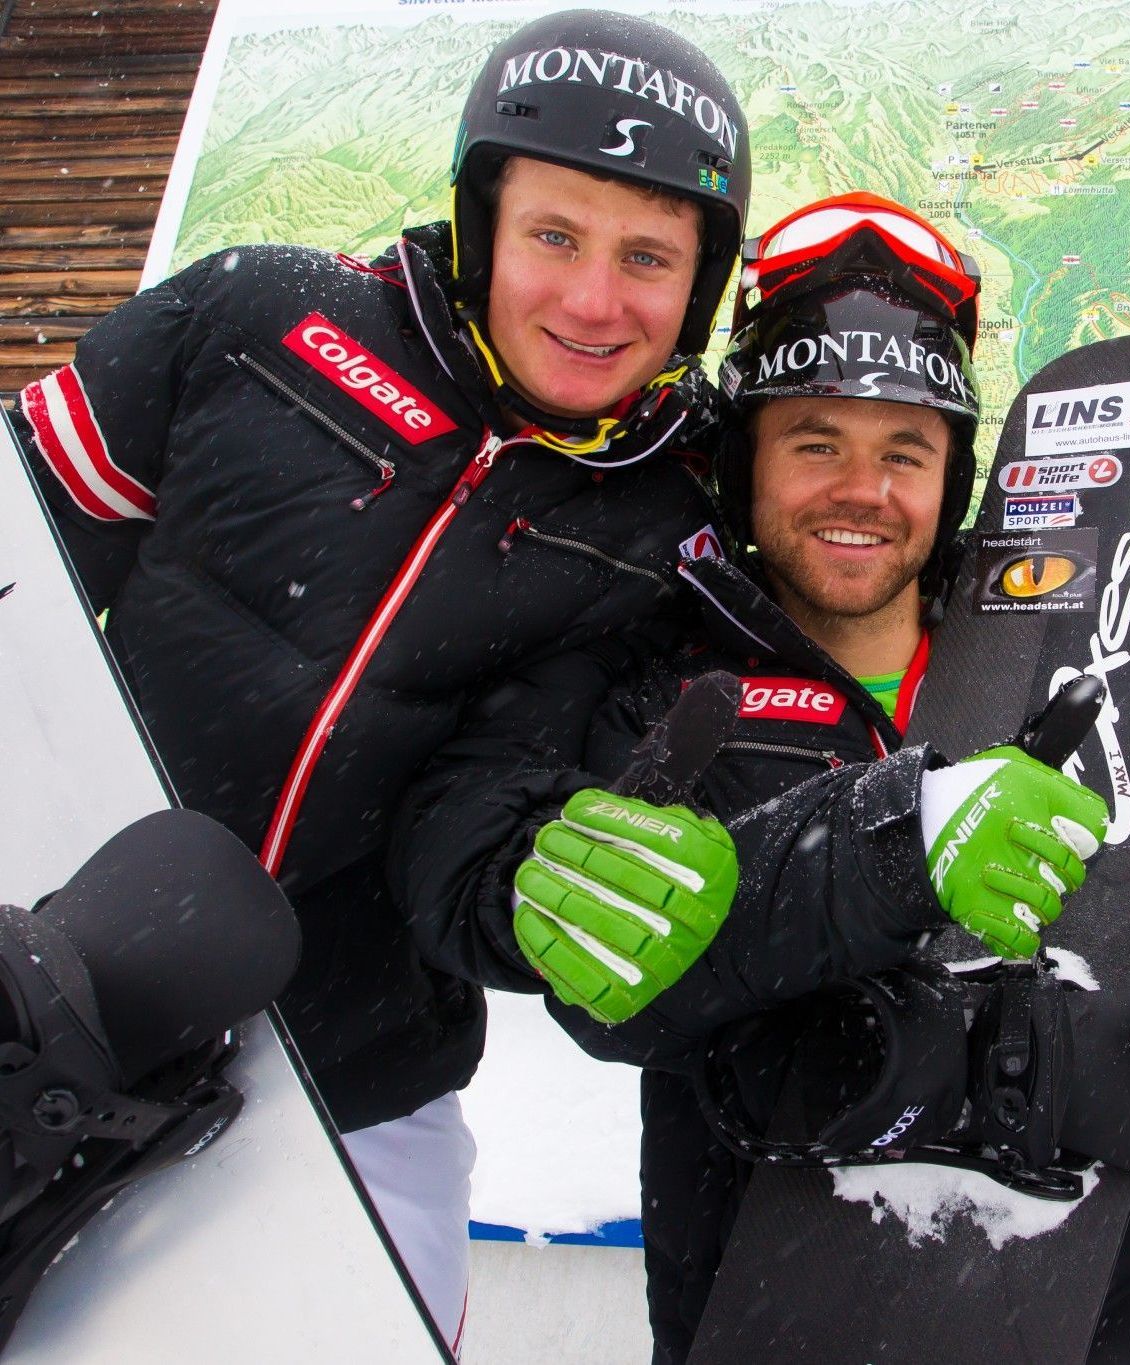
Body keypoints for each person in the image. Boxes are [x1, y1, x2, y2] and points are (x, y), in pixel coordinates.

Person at [10, 10, 753, 1350]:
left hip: (355, 1086)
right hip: (46, 974)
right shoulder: (260, 320)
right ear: (478, 221)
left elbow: (506, 810)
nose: (594, 302)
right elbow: (21, 553)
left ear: (699, 287)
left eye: (648, 258)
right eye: (554, 236)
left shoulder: (665, 524)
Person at [393, 192, 1130, 1362]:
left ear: (953, 482)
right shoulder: (668, 695)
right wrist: (895, 846)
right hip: (776, 1296)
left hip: (1104, 1301)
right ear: (745, 466)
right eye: (813, 444)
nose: (862, 490)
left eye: (905, 451)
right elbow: (619, 1003)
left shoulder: (1087, 666)